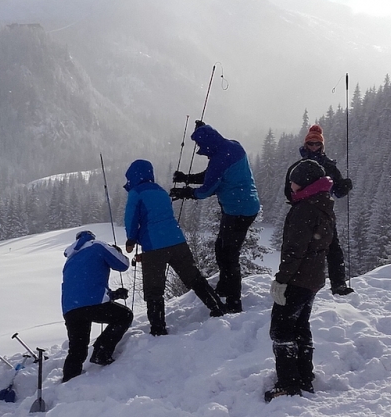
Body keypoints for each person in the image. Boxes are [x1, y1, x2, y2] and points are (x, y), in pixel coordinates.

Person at [123, 159, 225, 335]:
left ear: (133, 176)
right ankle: (217, 306)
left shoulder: (135, 193)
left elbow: (131, 219)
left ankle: (158, 328)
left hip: (154, 246)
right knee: (194, 278)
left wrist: (131, 239)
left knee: (154, 289)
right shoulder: (161, 191)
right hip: (177, 241)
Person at [170, 121, 261, 313]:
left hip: (237, 212)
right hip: (244, 207)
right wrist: (187, 178)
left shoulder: (220, 159)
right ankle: (225, 287)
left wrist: (184, 192)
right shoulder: (232, 146)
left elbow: (205, 190)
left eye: (201, 145)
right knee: (222, 249)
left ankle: (234, 301)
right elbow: (210, 174)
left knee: (229, 255)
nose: (202, 150)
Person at [269, 159, 336, 396]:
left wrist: (282, 280)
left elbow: (294, 250)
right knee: (300, 325)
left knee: (282, 329)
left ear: (306, 183)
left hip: (298, 279)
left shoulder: (305, 209)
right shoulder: (322, 204)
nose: (291, 185)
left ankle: (288, 383)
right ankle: (304, 374)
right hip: (313, 278)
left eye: (294, 181)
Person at [284, 124, 354, 295]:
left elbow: (337, 192)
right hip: (307, 212)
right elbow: (288, 191)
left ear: (322, 145)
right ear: (305, 145)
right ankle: (292, 282)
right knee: (298, 247)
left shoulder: (328, 166)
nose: (314, 147)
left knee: (332, 247)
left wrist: (344, 186)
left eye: (317, 144)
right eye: (311, 144)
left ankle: (338, 284)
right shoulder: (300, 165)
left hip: (323, 211)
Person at [60, 230, 132, 382]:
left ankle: (68, 380)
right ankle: (101, 352)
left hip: (70, 309)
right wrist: (117, 251)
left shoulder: (70, 259)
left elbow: (84, 288)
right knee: (124, 316)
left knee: (77, 348)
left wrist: (113, 295)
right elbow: (123, 264)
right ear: (91, 237)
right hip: (92, 303)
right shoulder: (97, 246)